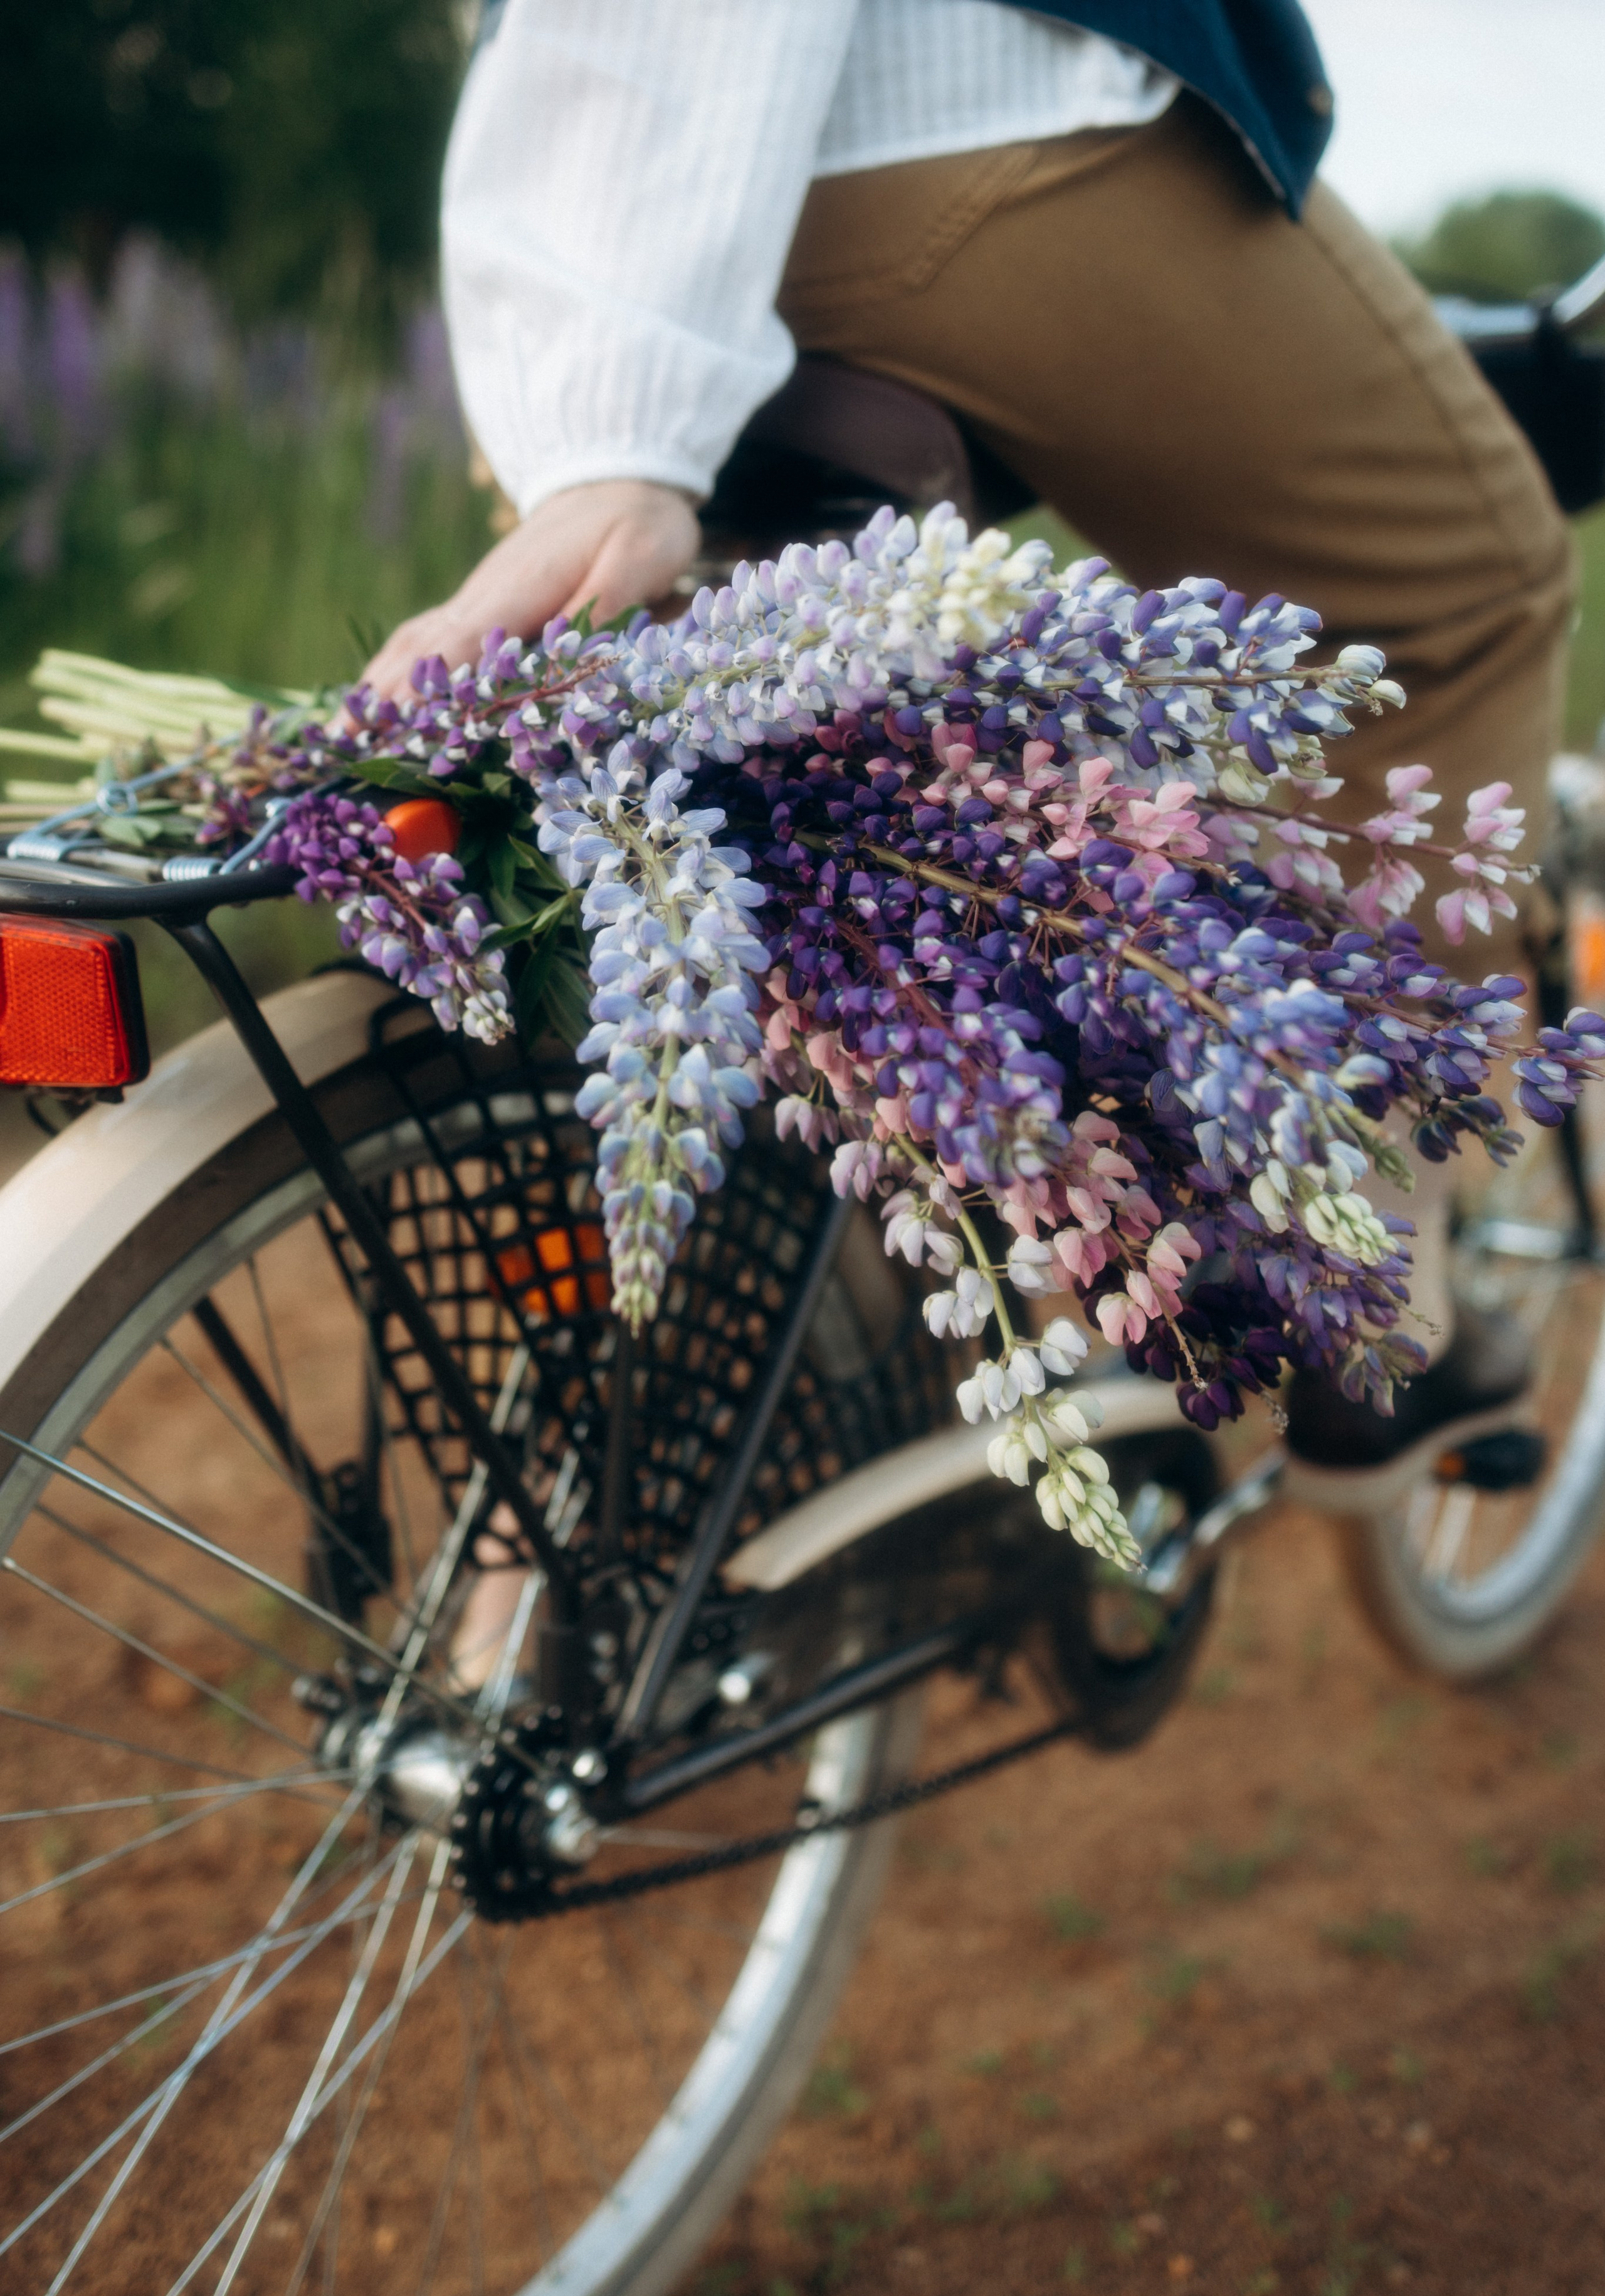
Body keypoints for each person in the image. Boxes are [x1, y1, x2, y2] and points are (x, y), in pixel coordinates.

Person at [368, 0, 1575, 1529]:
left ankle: (630, 1513)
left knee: (779, 850)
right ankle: (1334, 1227)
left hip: (637, 193)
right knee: (1465, 587)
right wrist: (627, 423)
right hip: (939, 123)